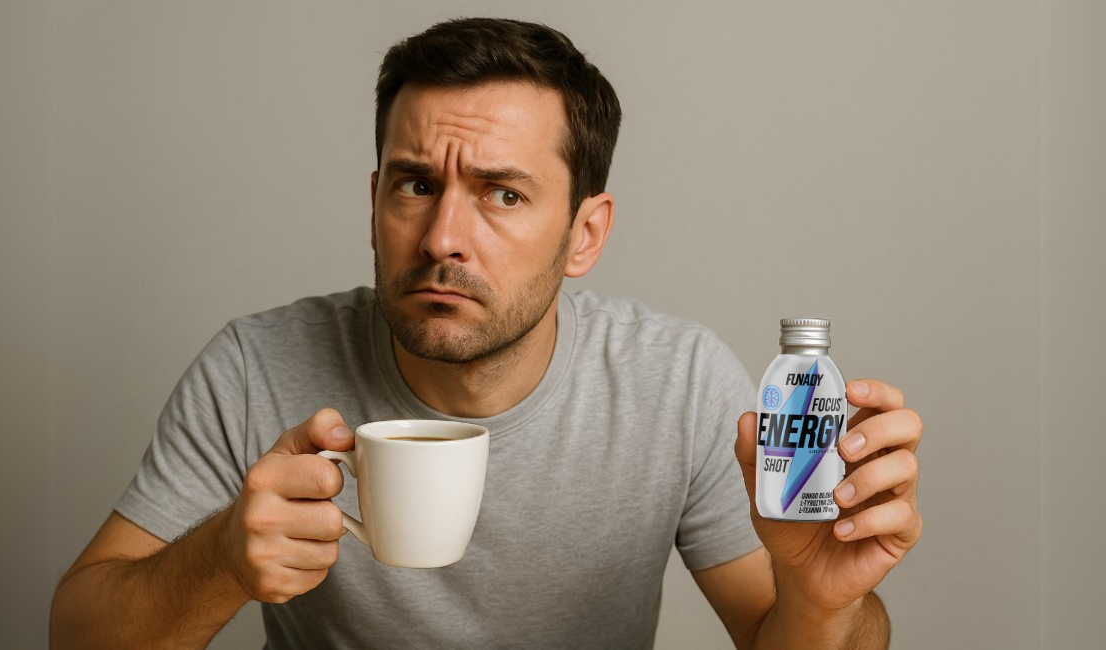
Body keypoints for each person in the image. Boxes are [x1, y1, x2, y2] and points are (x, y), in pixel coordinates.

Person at [50, 17, 923, 649]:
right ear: (374, 203)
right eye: (415, 185)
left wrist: (820, 602)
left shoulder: (678, 382)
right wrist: (219, 562)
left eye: (503, 194)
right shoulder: (256, 366)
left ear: (584, 235)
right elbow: (76, 633)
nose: (442, 239)